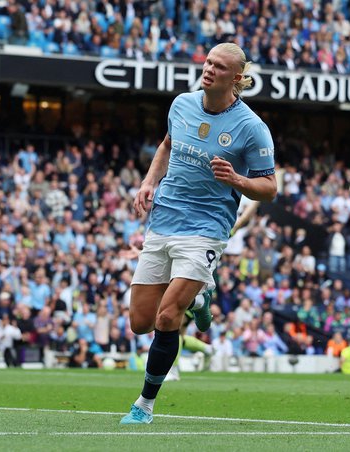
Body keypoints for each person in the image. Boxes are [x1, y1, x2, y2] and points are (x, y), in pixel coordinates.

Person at [121, 42, 277, 425]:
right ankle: (200, 299)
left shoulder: (251, 127)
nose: (208, 70)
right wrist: (148, 182)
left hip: (206, 227)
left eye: (219, 67)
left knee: (167, 316)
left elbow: (269, 188)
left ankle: (144, 404)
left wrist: (237, 179)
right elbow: (168, 145)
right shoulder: (182, 104)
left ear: (237, 78)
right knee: (140, 322)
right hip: (164, 217)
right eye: (207, 63)